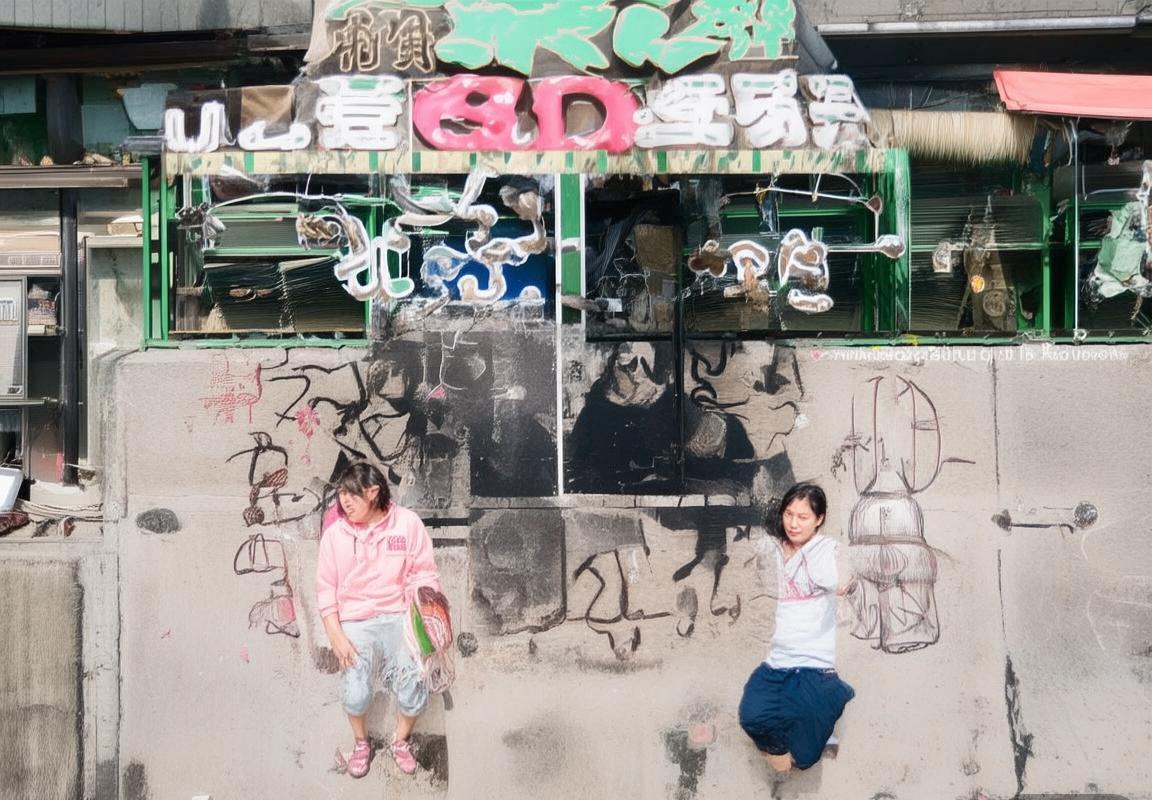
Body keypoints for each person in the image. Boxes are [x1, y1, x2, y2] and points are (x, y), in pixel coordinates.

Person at [315, 462, 441, 779]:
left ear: (373, 492)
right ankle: (361, 743)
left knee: (414, 685)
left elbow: (424, 572)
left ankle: (400, 741)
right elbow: (325, 588)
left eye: (351, 494)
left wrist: (424, 618)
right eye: (341, 494)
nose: (344, 501)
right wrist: (335, 634)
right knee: (355, 692)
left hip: (400, 616)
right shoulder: (335, 535)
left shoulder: (407, 524)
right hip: (355, 620)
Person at [738, 482, 855, 772]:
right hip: (777, 662)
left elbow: (838, 578)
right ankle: (795, 741)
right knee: (752, 716)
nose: (793, 523)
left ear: (819, 519)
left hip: (813, 664)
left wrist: (838, 582)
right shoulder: (774, 549)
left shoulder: (826, 549)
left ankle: (833, 695)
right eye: (788, 514)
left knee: (805, 757)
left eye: (803, 517)